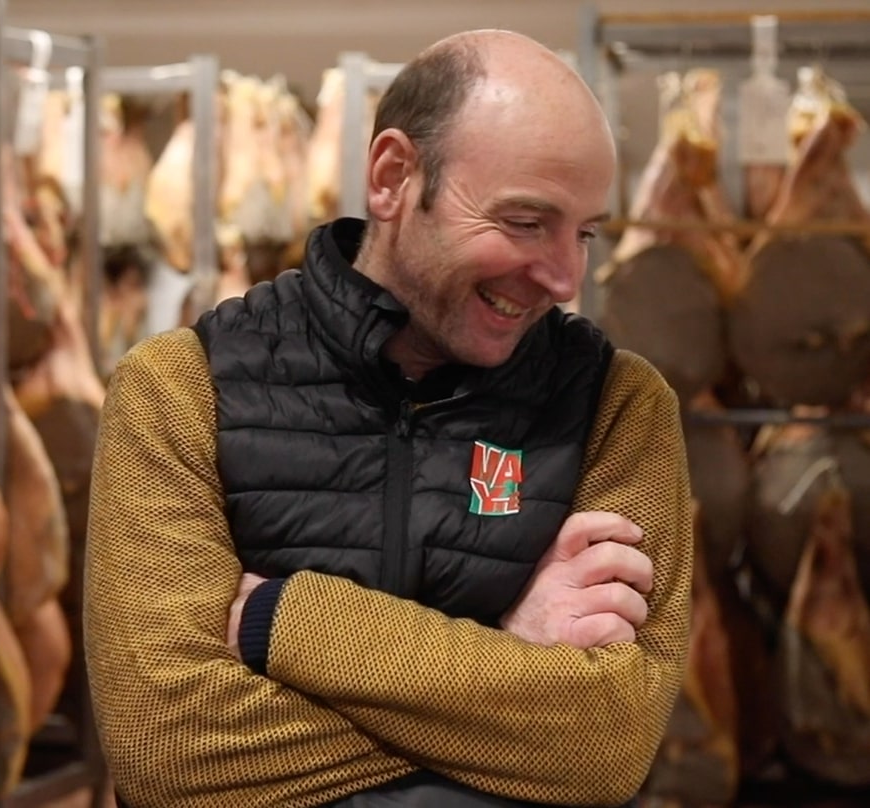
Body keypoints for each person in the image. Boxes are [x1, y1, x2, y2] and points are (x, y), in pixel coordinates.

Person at [85, 28, 692, 808]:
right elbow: (165, 753)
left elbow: (608, 743)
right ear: (393, 176)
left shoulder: (619, 407)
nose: (564, 277)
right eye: (524, 222)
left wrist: (287, 621)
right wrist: (510, 668)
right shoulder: (180, 389)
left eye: (583, 233)